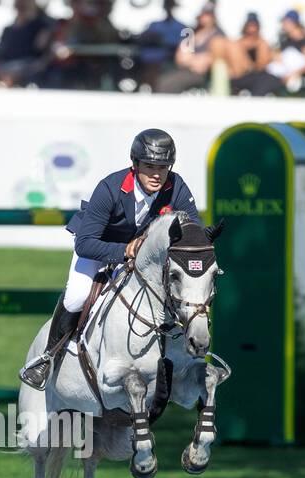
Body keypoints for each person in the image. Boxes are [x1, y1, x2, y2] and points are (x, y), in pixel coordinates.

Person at [18, 129, 200, 389]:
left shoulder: (176, 186)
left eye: (163, 167)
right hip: (99, 248)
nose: (157, 174)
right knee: (77, 296)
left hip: (141, 257)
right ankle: (48, 357)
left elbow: (192, 229)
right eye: (149, 166)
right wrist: (124, 251)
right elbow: (85, 244)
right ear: (134, 163)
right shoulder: (110, 188)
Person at [155, 3, 225, 93]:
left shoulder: (218, 34)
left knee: (172, 82)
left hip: (205, 74)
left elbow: (214, 57)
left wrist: (197, 59)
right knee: (164, 81)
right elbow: (181, 58)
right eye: (203, 14)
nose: (204, 18)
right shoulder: (190, 33)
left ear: (213, 17)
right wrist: (196, 59)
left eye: (208, 15)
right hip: (186, 70)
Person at [0, 0, 56, 88]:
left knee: (11, 75)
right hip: (6, 65)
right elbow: (0, 51)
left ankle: (5, 83)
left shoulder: (41, 26)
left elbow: (41, 50)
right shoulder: (8, 30)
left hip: (26, 65)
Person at [213, 13, 282, 95]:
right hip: (240, 75)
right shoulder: (237, 44)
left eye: (254, 25)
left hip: (256, 74)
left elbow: (262, 64)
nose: (252, 28)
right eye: (250, 25)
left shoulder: (263, 44)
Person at [136, 0, 190, 89]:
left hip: (168, 59)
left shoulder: (182, 27)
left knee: (154, 67)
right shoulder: (154, 24)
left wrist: (162, 41)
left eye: (170, 5)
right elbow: (143, 38)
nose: (168, 8)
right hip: (147, 58)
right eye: (167, 5)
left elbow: (183, 46)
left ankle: (153, 87)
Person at [265, 10, 305, 89]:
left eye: (285, 22)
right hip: (277, 74)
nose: (283, 25)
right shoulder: (285, 40)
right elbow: (277, 57)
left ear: (293, 23)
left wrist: (292, 75)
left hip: (291, 77)